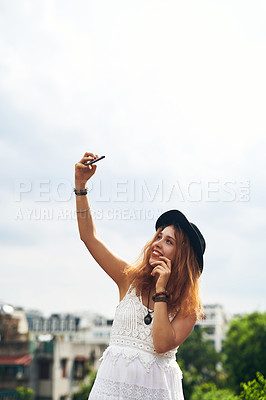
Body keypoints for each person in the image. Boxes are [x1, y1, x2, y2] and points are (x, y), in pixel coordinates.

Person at [75, 152, 206, 400]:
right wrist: (81, 186)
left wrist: (161, 290)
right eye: (158, 236)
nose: (157, 243)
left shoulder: (188, 308)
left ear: (183, 257)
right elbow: (89, 237)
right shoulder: (129, 279)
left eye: (169, 241)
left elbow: (161, 344)